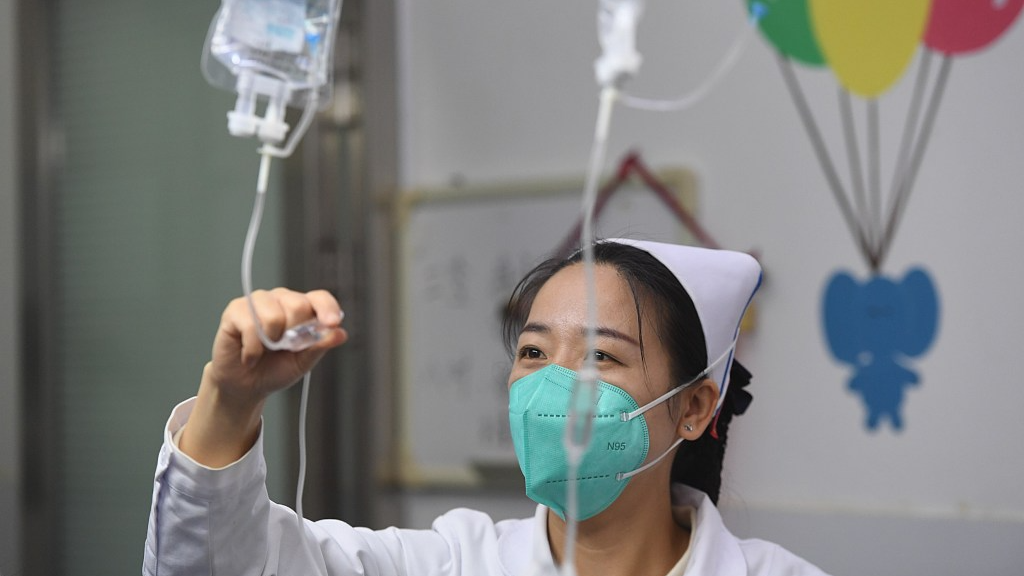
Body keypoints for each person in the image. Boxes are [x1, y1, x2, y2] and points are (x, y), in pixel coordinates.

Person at [143, 239, 830, 576]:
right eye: (533, 353)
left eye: (600, 357)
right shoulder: (457, 562)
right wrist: (229, 404)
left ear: (695, 408)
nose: (551, 385)